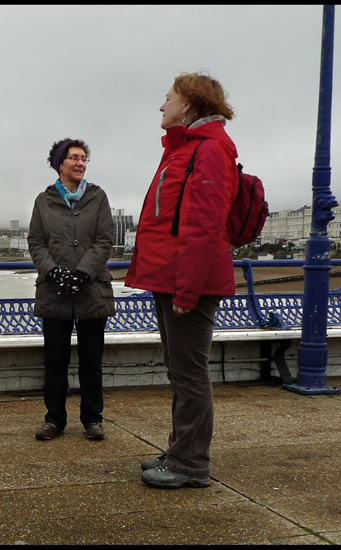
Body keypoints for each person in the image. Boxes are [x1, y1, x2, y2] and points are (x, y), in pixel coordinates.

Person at [125, 72, 239, 489]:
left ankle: (190, 462)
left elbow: (203, 225)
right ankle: (180, 450)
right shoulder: (185, 147)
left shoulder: (209, 149)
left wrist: (188, 290)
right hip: (170, 276)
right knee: (179, 370)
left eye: (168, 97)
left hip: (188, 282)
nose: (162, 105)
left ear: (188, 104)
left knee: (189, 372)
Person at [27, 138, 116, 442]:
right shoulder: (43, 200)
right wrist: (53, 272)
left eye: (83, 158)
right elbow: (36, 241)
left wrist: (82, 272)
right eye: (74, 158)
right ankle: (54, 419)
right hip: (54, 292)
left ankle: (93, 419)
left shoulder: (98, 197)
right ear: (59, 164)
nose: (80, 163)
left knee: (92, 361)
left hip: (92, 291)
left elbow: (105, 239)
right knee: (55, 362)